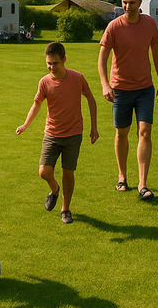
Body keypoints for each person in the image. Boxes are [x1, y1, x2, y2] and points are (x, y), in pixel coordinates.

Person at [16, 42, 99, 224]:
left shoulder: (77, 78)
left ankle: (66, 209)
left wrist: (94, 126)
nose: (51, 67)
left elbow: (91, 99)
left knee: (68, 173)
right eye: (48, 63)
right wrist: (25, 125)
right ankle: (54, 189)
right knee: (44, 172)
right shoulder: (44, 82)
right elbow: (37, 104)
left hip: (73, 134)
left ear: (64, 60)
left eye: (55, 63)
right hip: (52, 134)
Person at [98, 0, 158, 201]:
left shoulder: (149, 24)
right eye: (124, 2)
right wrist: (105, 85)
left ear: (140, 3)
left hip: (145, 88)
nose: (127, 6)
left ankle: (143, 184)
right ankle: (122, 175)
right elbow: (102, 59)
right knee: (122, 133)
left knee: (145, 131)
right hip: (120, 90)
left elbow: (156, 52)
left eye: (132, 2)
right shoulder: (114, 27)